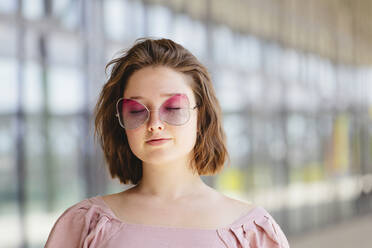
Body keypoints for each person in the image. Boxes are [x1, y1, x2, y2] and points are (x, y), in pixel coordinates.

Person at [45, 38, 290, 248]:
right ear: (120, 119)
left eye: (172, 107)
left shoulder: (254, 231)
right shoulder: (85, 225)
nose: (154, 123)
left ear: (201, 115)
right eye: (136, 110)